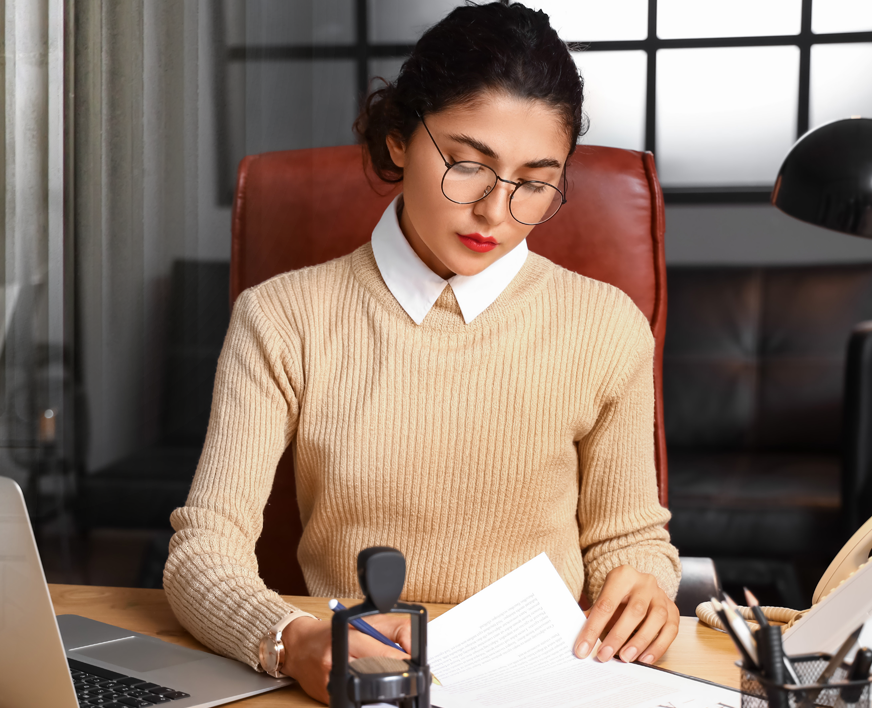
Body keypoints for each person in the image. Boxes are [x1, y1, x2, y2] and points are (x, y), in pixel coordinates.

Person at [162, 2, 681, 700]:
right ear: (399, 137)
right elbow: (203, 551)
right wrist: (289, 640)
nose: (495, 214)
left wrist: (644, 582)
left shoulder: (604, 324)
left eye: (533, 182)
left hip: (542, 678)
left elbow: (628, 539)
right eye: (466, 165)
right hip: (361, 678)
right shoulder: (282, 318)